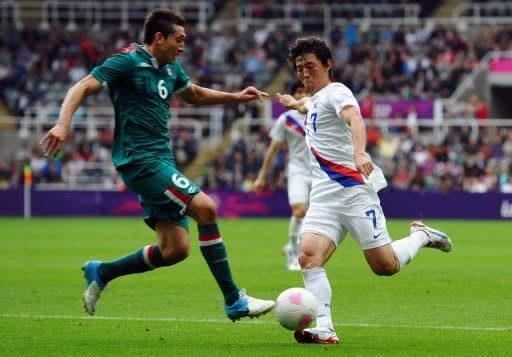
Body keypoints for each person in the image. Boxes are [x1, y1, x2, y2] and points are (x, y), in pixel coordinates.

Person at [40, 9, 274, 321]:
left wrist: (236, 97)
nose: (183, 47)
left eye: (185, 41)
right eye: (179, 40)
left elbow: (192, 94)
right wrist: (62, 125)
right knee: (207, 209)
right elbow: (80, 87)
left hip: (163, 161)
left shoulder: (171, 68)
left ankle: (102, 272)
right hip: (140, 161)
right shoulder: (127, 61)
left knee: (175, 249)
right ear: (159, 38)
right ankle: (234, 300)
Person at [277, 36, 453, 344]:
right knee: (308, 258)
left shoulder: (337, 91)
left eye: (310, 66)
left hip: (353, 192)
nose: (304, 73)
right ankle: (325, 327)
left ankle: (421, 236)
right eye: (299, 68)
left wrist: (360, 153)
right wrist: (297, 104)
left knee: (384, 267)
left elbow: (354, 118)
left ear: (328, 64)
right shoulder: (316, 100)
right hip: (323, 197)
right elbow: (311, 105)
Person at [254, 80, 311, 271]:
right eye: (299, 92)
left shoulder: (319, 114)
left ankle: (291, 247)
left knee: (312, 219)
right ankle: (294, 255)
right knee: (299, 212)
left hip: (320, 173)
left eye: (306, 92)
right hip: (297, 171)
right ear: (293, 95)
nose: (302, 95)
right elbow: (273, 149)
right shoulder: (286, 119)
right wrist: (262, 176)